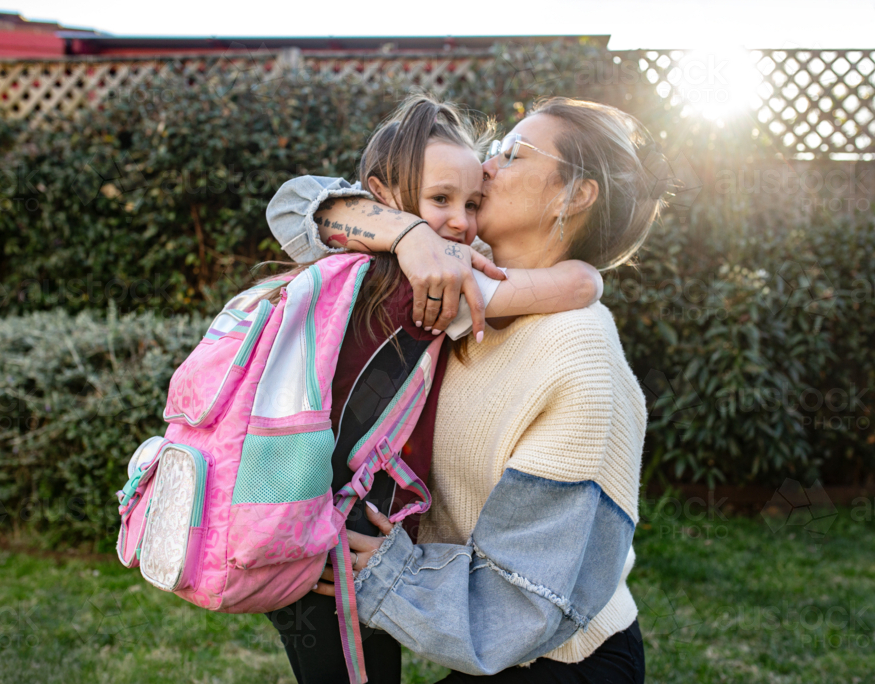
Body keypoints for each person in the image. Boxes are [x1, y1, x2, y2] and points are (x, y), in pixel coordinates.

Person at [267, 96, 671, 682]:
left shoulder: (578, 357)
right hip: (486, 650)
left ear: (573, 195)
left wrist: (388, 572)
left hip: (561, 658)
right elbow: (294, 208)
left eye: (513, 153)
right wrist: (408, 235)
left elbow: (534, 597)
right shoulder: (441, 277)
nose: (486, 165)